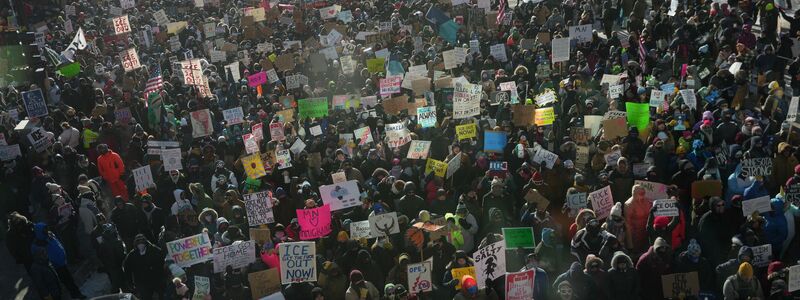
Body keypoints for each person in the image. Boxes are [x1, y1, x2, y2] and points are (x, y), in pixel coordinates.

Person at [123, 234, 166, 300]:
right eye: (138, 242)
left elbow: (162, 263)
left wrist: (162, 278)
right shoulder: (131, 255)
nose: (140, 244)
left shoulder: (155, 250)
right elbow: (127, 269)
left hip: (156, 281)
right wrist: (130, 283)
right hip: (141, 283)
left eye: (142, 242)